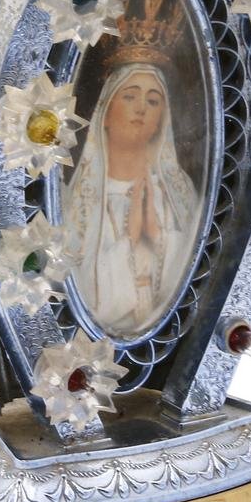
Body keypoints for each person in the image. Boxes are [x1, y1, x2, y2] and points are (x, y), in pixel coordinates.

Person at [64, 58, 200, 336]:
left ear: (161, 119)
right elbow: (83, 303)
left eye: (153, 101)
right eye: (129, 96)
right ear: (105, 112)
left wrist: (159, 238)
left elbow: (198, 285)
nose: (141, 108)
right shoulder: (77, 199)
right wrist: (132, 241)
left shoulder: (180, 191)